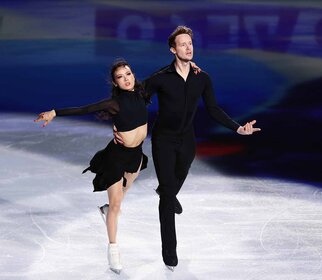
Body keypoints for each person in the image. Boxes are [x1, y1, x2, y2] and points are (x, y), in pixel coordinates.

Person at [115, 26, 261, 270]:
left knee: (174, 182)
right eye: (182, 44)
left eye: (190, 43)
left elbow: (213, 109)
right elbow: (136, 99)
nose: (188, 47)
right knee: (169, 194)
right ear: (173, 49)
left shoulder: (202, 78)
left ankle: (167, 193)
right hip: (164, 140)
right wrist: (120, 126)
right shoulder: (161, 78)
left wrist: (237, 128)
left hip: (187, 141)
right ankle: (169, 252)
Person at [34, 59, 149, 274]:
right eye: (120, 77)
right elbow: (84, 109)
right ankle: (113, 250)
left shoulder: (143, 93)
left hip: (136, 156)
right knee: (116, 205)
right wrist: (54, 112)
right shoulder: (114, 104)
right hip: (117, 157)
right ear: (115, 83)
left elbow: (165, 75)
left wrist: (187, 65)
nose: (126, 79)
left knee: (120, 197)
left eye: (128, 74)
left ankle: (106, 210)